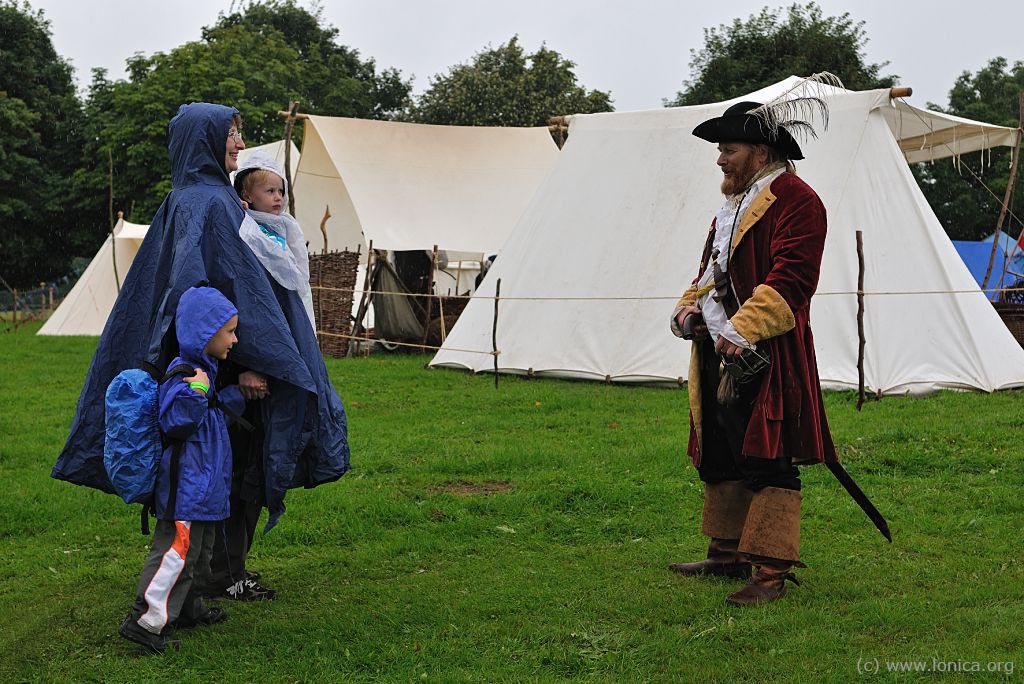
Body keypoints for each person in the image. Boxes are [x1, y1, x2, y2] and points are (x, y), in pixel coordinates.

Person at [53, 103, 351, 599]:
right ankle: (216, 576)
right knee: (228, 472)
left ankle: (202, 576)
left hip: (217, 365)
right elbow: (209, 297)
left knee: (214, 471)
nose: (239, 144)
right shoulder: (209, 204)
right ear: (204, 142)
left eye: (238, 135)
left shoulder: (194, 200)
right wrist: (252, 362)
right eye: (230, 135)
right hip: (225, 370)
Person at [667, 100, 836, 606]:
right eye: (720, 149)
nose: (720, 159)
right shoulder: (733, 202)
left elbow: (793, 278)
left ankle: (768, 572)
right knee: (720, 452)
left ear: (760, 152)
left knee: (768, 457)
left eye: (729, 149)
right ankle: (727, 552)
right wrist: (685, 310)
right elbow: (710, 271)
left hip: (767, 352)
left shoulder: (797, 200)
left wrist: (740, 331)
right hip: (717, 348)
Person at [199, 152, 318, 601]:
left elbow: (284, 307)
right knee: (237, 475)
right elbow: (240, 309)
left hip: (273, 375)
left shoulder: (281, 236)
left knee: (254, 474)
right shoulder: (241, 237)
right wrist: (249, 364)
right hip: (241, 378)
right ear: (244, 197)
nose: (279, 198)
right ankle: (221, 573)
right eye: (270, 190)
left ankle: (230, 568)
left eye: (282, 190)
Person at [119, 287, 244, 653]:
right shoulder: (184, 372)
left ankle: (187, 608)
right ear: (205, 333)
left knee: (198, 556)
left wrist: (235, 394)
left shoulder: (206, 371)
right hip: (186, 488)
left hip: (203, 488)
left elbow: (213, 414)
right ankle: (146, 621)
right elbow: (175, 421)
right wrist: (197, 392)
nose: (234, 339)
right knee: (175, 553)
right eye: (229, 331)